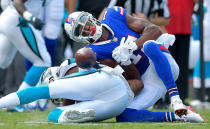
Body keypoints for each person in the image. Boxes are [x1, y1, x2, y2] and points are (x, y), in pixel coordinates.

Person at [64, 7, 204, 122]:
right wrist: (124, 62)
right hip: (149, 80)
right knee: (124, 116)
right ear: (78, 38)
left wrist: (134, 46)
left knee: (149, 46)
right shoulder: (94, 54)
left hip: (162, 61)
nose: (87, 29)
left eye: (85, 23)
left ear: (90, 17)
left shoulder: (112, 15)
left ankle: (176, 100)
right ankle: (180, 115)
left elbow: (154, 29)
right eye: (80, 30)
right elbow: (134, 78)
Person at [0, 47, 135, 123]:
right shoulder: (84, 68)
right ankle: (70, 116)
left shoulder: (65, 79)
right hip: (118, 99)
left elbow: (30, 93)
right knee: (57, 114)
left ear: (53, 77)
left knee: (53, 113)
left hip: (108, 95)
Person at [0, 0, 51, 111]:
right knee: (43, 62)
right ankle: (16, 102)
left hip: (9, 19)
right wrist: (31, 18)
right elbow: (17, 2)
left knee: (2, 62)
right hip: (17, 20)